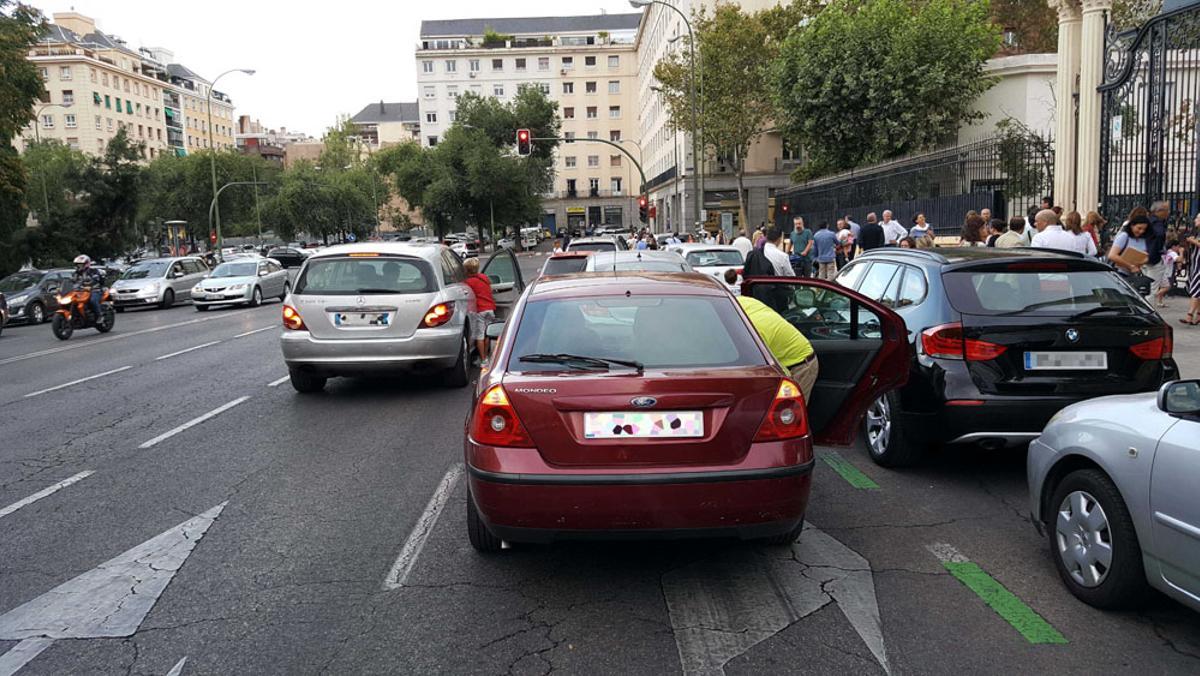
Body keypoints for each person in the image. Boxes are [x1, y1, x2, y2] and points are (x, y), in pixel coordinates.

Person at [735, 293, 819, 403]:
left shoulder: (753, 332)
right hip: (788, 358)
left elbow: (763, 368)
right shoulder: (743, 301)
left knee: (789, 410)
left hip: (800, 366)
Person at [463, 258, 497, 368]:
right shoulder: (484, 278)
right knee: (488, 334)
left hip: (480, 311)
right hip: (490, 309)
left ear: (466, 270)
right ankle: (486, 356)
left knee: (479, 336)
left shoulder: (468, 282)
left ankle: (483, 360)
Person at [1108, 212, 1151, 278]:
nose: (1141, 231)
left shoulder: (1143, 239)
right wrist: (1129, 266)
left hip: (1134, 273)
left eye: (1144, 229)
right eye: (1139, 228)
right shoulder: (1124, 236)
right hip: (1120, 273)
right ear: (1132, 226)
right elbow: (1112, 255)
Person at [1145, 201, 1171, 302]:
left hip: (1148, 257)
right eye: (1166, 210)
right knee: (1152, 289)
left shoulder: (1149, 221)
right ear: (1159, 211)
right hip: (1153, 259)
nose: (1168, 212)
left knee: (1165, 284)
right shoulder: (1157, 223)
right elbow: (1159, 235)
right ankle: (1147, 311)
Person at [71, 255, 105, 321]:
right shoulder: (76, 273)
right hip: (81, 292)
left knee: (93, 300)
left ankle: (99, 316)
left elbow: (96, 279)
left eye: (81, 265)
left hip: (95, 290)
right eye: (77, 265)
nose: (79, 266)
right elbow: (71, 281)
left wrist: (90, 286)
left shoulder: (93, 271)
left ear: (86, 264)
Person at [1154, 240, 1183, 308]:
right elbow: (1179, 259)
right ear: (1174, 246)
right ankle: (1155, 295)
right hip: (1166, 272)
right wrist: (1181, 252)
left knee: (1162, 286)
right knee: (1167, 287)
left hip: (1161, 270)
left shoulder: (1165, 251)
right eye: (1178, 246)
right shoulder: (1172, 253)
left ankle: (1159, 302)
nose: (1178, 248)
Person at [1183, 214, 1200, 325]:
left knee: (1196, 289)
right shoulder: (1197, 232)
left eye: (1198, 218)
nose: (1195, 220)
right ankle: (1198, 315)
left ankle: (1189, 315)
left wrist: (1194, 242)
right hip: (1195, 264)